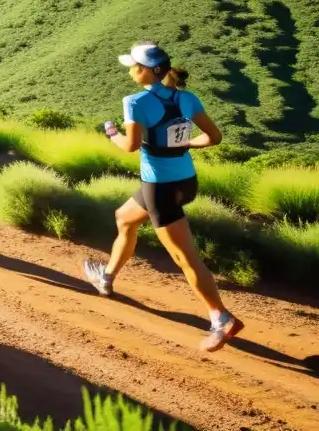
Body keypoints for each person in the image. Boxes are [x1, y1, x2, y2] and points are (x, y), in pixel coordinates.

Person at [83, 41, 244, 353]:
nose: (130, 70)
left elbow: (130, 146)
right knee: (124, 218)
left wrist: (112, 134)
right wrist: (181, 146)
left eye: (134, 65)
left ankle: (220, 317)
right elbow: (214, 137)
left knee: (185, 258)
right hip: (185, 180)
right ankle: (106, 277)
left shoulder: (135, 102)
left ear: (146, 70)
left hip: (160, 188)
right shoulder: (186, 97)